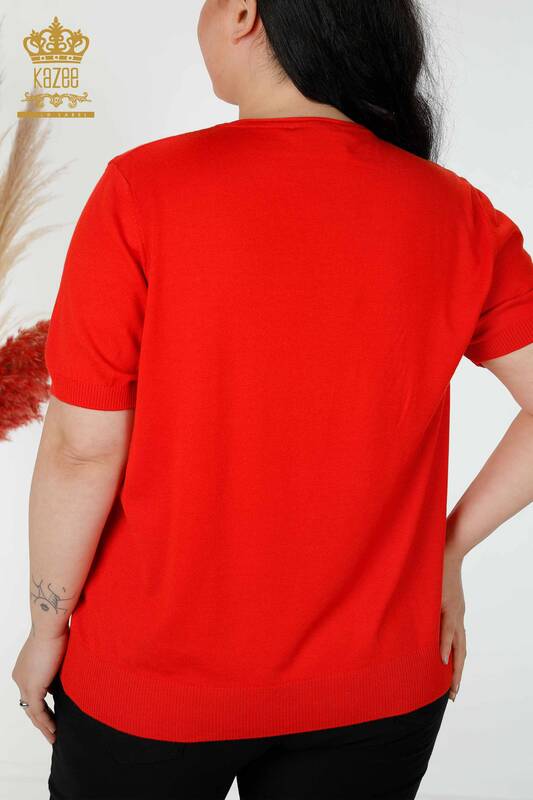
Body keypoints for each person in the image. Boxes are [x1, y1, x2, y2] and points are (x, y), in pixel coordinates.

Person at [11, 1, 533, 798]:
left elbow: (83, 448)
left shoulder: (143, 190)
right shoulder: (457, 212)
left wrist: (47, 626)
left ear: (245, 14)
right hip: (379, 685)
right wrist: (447, 547)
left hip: (152, 687)